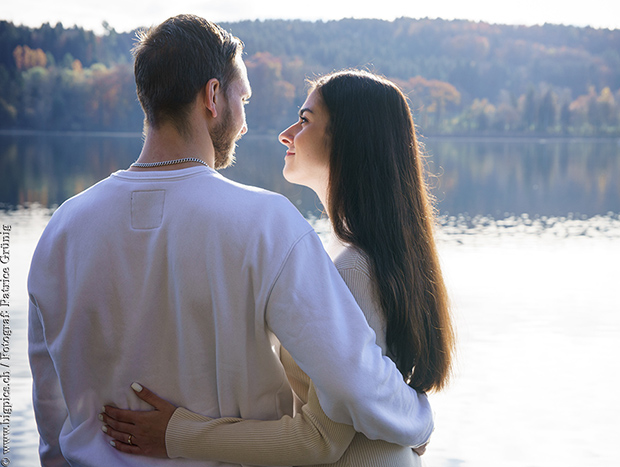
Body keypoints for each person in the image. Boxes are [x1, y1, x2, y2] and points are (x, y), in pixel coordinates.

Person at [27, 17, 433, 467]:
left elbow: (51, 407)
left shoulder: (60, 229)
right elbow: (354, 381)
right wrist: (419, 418)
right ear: (213, 96)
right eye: (243, 99)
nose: (245, 123)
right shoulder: (268, 223)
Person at [101, 70, 455, 466]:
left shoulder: (354, 270)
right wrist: (417, 416)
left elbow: (318, 441)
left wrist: (176, 434)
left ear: (350, 139)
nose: (286, 134)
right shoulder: (360, 257)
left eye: (304, 121)